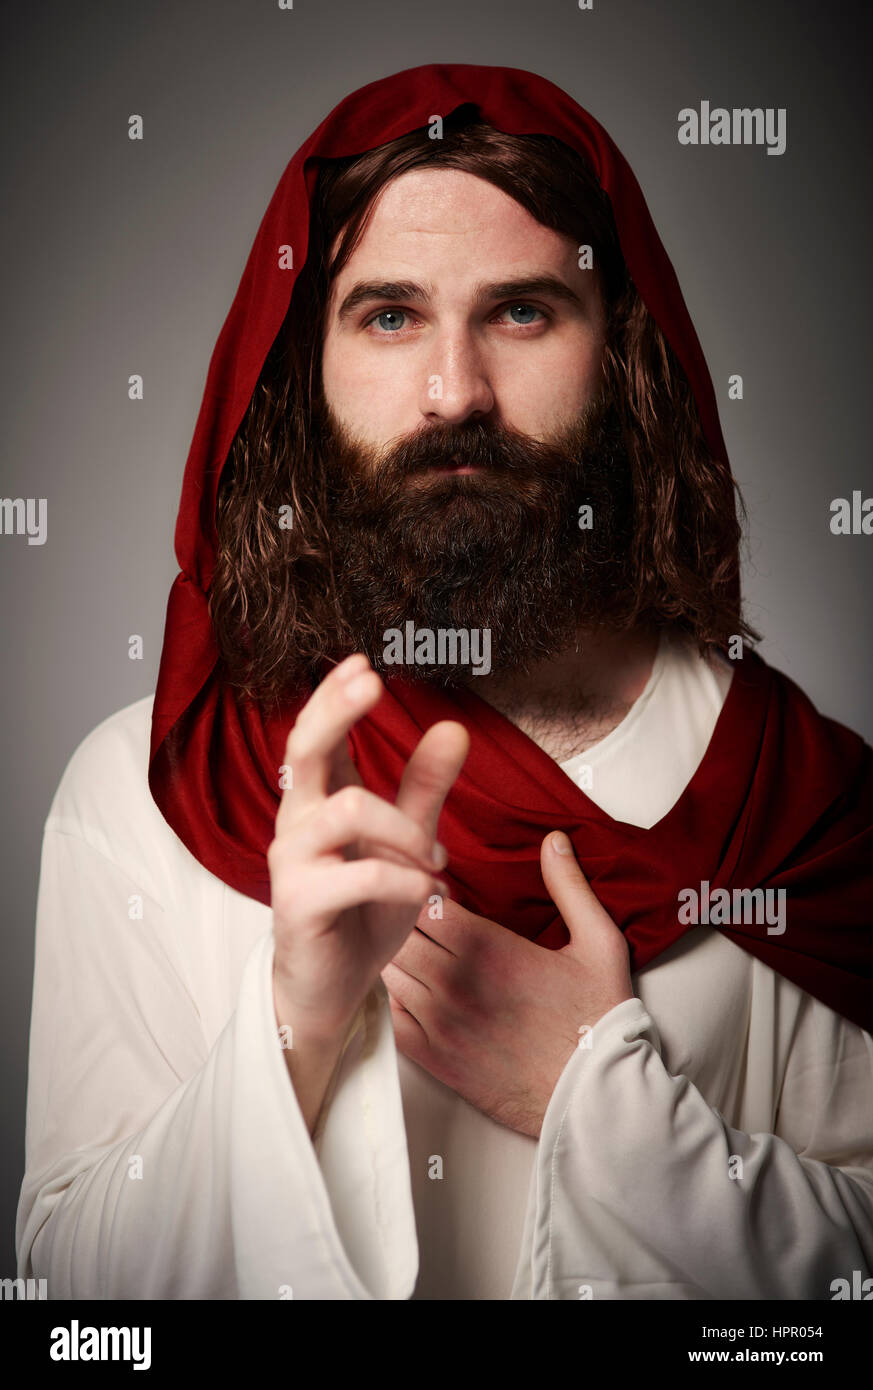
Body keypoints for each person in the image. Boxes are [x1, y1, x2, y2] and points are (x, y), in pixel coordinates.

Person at [16, 63, 873, 1301]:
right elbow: (70, 1305)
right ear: (299, 372)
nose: (455, 391)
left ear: (623, 358)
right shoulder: (148, 790)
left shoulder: (809, 813)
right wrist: (294, 1033)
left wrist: (600, 1095)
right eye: (388, 315)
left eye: (523, 311)